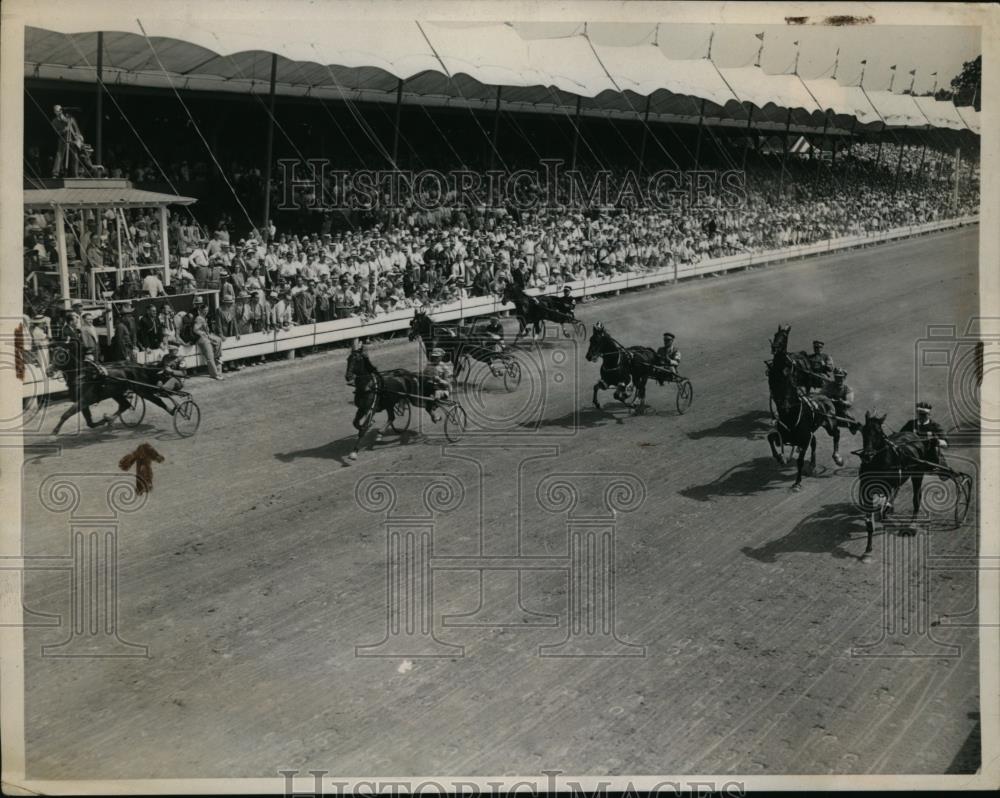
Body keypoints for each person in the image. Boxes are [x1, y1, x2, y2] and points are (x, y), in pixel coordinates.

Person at [900, 401, 949, 474]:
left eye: (924, 415)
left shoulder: (935, 426)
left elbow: (946, 443)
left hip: (928, 456)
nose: (921, 417)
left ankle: (935, 466)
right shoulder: (911, 424)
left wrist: (937, 441)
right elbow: (901, 435)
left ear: (929, 414)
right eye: (919, 414)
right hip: (912, 455)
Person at [191, 297, 224, 380]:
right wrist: (203, 334)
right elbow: (195, 329)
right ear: (201, 310)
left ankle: (217, 358)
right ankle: (214, 374)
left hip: (206, 336)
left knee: (218, 340)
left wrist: (208, 335)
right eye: (204, 311)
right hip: (201, 339)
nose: (206, 312)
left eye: (207, 310)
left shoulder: (204, 318)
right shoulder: (199, 318)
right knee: (210, 356)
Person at [422, 347, 453, 423]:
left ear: (441, 357)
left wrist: (440, 380)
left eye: (437, 357)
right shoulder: (429, 366)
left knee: (436, 395)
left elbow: (447, 382)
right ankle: (433, 415)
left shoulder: (444, 367)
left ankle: (433, 411)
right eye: (434, 357)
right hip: (431, 388)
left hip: (442, 389)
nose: (435, 358)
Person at [154, 344, 186, 409]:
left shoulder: (181, 359)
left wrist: (171, 371)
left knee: (172, 380)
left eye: (172, 350)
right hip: (166, 378)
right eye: (169, 350)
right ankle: (158, 389)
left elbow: (183, 373)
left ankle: (162, 390)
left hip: (177, 381)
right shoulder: (166, 357)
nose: (170, 352)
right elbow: (159, 366)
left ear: (177, 350)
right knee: (157, 376)